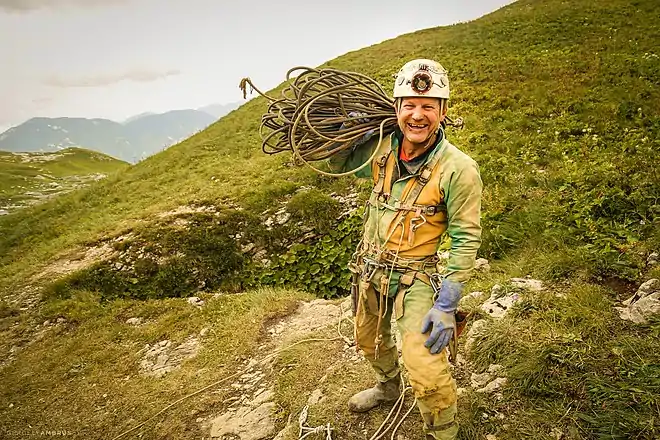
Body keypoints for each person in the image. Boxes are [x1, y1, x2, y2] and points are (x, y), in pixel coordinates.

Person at [329, 59, 482, 439]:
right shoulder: (381, 149)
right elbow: (338, 163)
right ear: (396, 108)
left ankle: (444, 432)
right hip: (369, 270)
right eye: (409, 105)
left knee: (426, 368)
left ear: (443, 112)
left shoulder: (459, 168)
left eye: (428, 106)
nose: (417, 115)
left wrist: (446, 305)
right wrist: (342, 131)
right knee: (370, 341)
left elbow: (466, 236)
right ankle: (388, 387)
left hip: (415, 278)